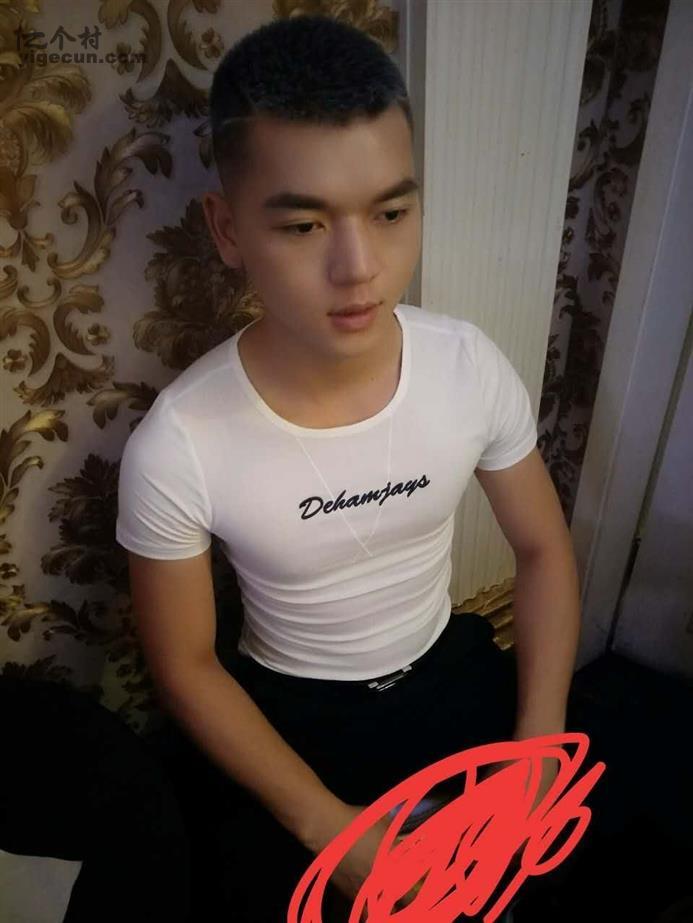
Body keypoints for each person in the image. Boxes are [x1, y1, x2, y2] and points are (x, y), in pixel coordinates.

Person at [115, 13, 581, 921]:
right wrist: (330, 827)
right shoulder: (178, 442)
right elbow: (186, 665)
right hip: (289, 719)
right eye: (303, 224)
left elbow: (541, 549)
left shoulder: (467, 364)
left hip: (448, 675)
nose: (360, 267)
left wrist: (538, 746)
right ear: (227, 229)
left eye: (391, 213)